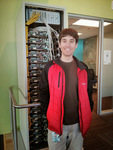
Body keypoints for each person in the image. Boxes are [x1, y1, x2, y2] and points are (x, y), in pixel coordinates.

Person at [39, 28, 94, 150]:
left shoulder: (83, 68)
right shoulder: (49, 67)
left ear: (75, 45)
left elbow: (88, 94)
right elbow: (43, 92)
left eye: (71, 41)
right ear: (59, 44)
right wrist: (48, 114)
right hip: (56, 125)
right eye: (64, 41)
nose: (67, 45)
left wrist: (87, 113)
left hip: (78, 124)